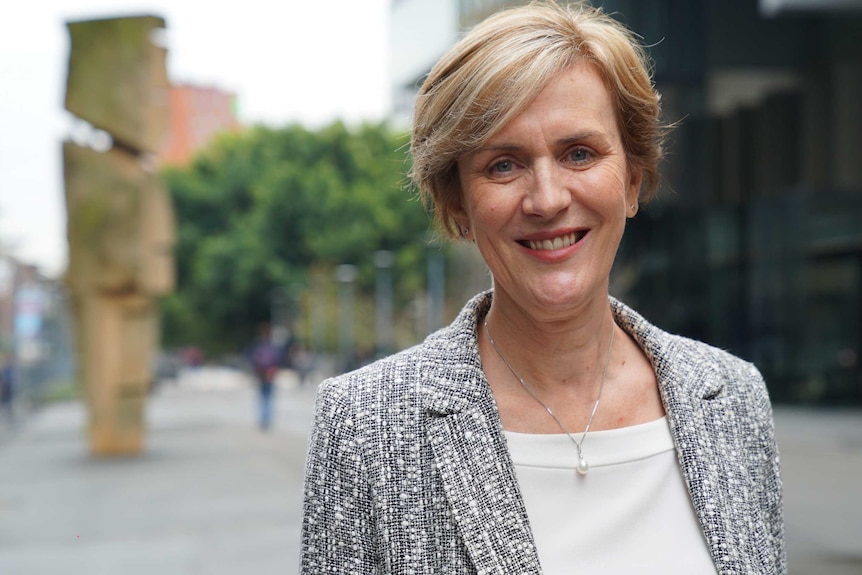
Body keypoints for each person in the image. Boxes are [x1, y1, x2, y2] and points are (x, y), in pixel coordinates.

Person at [300, 2, 785, 573]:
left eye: (579, 153)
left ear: (631, 180)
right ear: (458, 204)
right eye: (503, 165)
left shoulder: (732, 399)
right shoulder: (364, 426)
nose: (548, 199)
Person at [248, 324, 281, 431]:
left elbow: (253, 360)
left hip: (261, 375)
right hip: (270, 376)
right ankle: (266, 419)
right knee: (268, 398)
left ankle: (263, 419)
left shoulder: (258, 346)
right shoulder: (273, 347)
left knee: (262, 398)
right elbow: (278, 360)